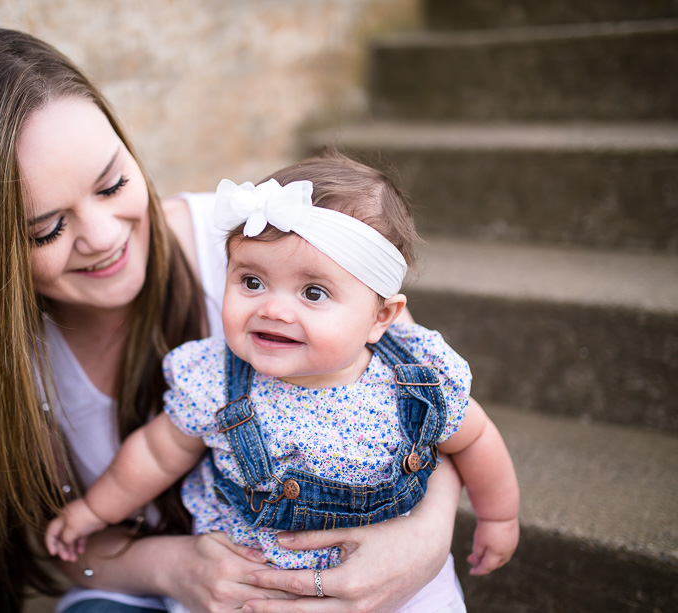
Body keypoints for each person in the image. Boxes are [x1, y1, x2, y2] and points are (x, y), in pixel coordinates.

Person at [0, 26, 472, 613]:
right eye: (47, 228)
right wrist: (177, 570)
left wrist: (424, 539)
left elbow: (429, 407)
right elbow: (55, 548)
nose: (104, 236)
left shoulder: (266, 241)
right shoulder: (5, 364)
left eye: (113, 184)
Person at [45, 155, 520, 610]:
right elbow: (153, 454)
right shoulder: (216, 380)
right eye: (251, 282)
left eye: (313, 292)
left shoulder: (412, 380)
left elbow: (474, 438)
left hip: (394, 581)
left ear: (381, 317)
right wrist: (93, 512)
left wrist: (498, 515)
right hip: (251, 584)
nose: (272, 308)